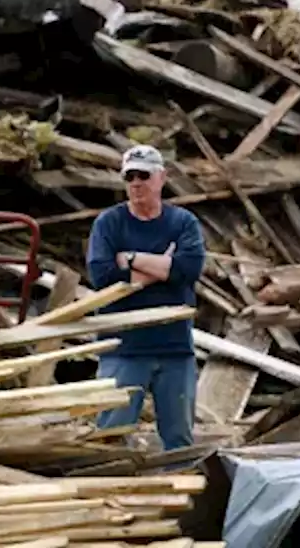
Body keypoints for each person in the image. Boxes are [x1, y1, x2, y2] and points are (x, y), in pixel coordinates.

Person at [86, 144, 206, 450]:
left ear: (161, 177)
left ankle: (180, 491)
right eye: (130, 177)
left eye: (144, 175)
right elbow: (102, 277)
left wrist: (131, 258)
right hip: (122, 347)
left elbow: (189, 268)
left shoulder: (182, 222)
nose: (136, 183)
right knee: (110, 437)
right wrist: (162, 266)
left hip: (174, 347)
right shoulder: (109, 223)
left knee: (180, 440)